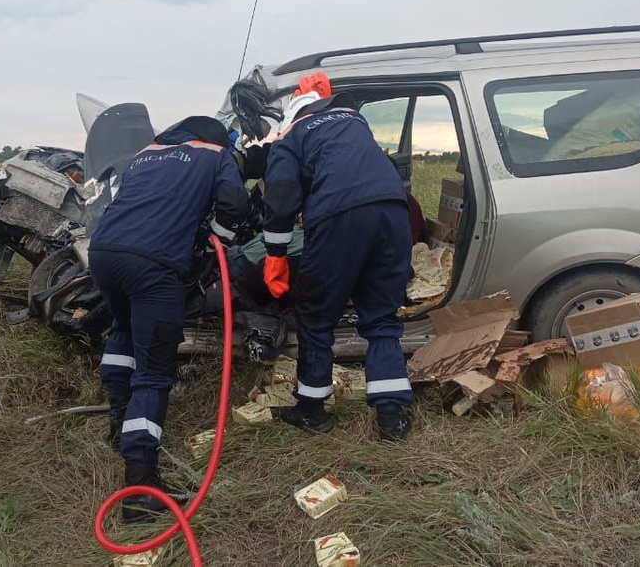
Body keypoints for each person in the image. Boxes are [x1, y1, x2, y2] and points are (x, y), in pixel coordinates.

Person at [90, 115, 249, 523]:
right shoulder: (216, 154)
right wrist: (212, 244)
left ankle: (117, 421)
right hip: (154, 266)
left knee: (123, 330)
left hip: (104, 254)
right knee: (155, 373)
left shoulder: (146, 154)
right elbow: (234, 206)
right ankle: (140, 488)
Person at [262, 72, 415, 442]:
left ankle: (312, 410)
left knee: (316, 315)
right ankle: (391, 418)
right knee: (381, 316)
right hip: (394, 212)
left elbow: (280, 196)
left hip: (338, 216)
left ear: (292, 116)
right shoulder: (355, 124)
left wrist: (276, 256)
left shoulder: (292, 136)